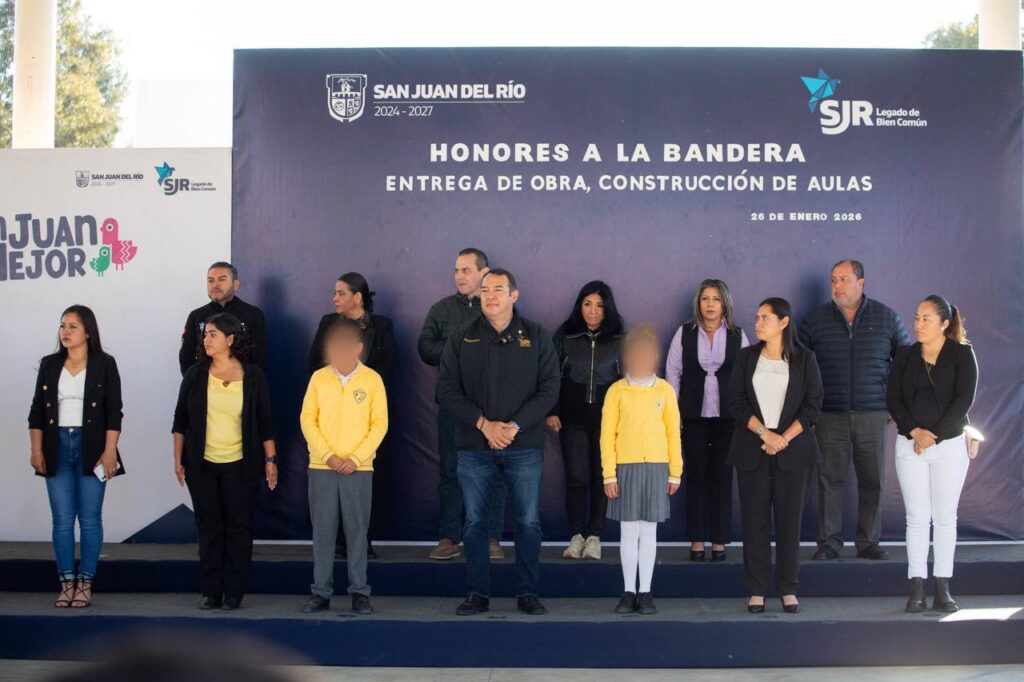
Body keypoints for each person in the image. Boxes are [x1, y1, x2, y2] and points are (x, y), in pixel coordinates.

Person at [438, 268, 559, 616]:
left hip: (524, 447)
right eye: (485, 289)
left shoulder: (536, 336)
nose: (491, 295)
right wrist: (483, 424)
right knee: (475, 522)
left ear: (514, 296)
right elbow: (446, 389)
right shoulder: (462, 337)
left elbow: (549, 388)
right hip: (475, 448)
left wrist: (514, 426)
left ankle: (528, 593)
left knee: (528, 522)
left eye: (499, 289)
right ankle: (477, 594)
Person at [798, 259, 909, 561]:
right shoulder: (814, 321)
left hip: (873, 414)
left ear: (861, 283)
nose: (837, 286)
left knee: (873, 480)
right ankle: (829, 543)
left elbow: (905, 365)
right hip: (828, 414)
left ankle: (868, 542)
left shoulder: (887, 318)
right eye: (833, 280)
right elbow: (798, 368)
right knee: (829, 480)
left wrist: (893, 405)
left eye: (844, 279)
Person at [172, 313, 278, 610]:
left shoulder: (253, 375)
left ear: (230, 340)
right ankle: (210, 591)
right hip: (201, 464)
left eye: (213, 334)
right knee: (209, 528)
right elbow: (180, 420)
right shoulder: (195, 374)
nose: (206, 339)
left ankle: (234, 592)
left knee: (239, 528)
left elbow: (265, 422)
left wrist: (271, 459)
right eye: (205, 334)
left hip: (241, 465)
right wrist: (177, 459)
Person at [729, 298, 823, 614]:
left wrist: (783, 437)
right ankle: (756, 590)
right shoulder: (745, 358)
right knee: (754, 522)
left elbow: (813, 405)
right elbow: (736, 402)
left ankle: (787, 589)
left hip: (793, 451)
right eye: (756, 317)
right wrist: (764, 434)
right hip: (753, 449)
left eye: (765, 317)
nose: (758, 323)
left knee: (789, 523)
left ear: (784, 322)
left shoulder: (805, 359)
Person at [28, 305, 124, 609]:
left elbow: (114, 411)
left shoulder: (104, 364)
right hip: (56, 444)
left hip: (92, 446)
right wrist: (36, 449)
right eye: (62, 326)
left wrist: (110, 451)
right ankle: (66, 581)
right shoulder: (49, 364)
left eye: (72, 326)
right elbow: (36, 412)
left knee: (91, 519)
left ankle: (86, 582)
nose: (65, 332)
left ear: (88, 331)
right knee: (62, 520)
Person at [887, 296, 978, 613]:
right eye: (916, 317)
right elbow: (893, 399)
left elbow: (963, 400)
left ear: (944, 323)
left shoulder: (962, 355)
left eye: (926, 318)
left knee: (944, 518)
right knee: (916, 518)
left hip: (949, 445)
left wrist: (932, 435)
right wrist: (914, 431)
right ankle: (916, 587)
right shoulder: (905, 355)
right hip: (910, 445)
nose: (918, 324)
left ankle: (943, 586)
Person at [418, 248, 508, 561]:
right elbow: (425, 347)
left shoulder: (497, 308)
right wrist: (462, 346)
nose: (459, 276)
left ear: (485, 273)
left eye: (466, 270)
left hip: (492, 408)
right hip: (452, 406)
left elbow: (504, 350)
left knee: (493, 473)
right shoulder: (441, 309)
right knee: (450, 471)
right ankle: (448, 537)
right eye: (456, 270)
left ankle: (491, 538)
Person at [300, 316, 389, 615]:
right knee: (323, 532)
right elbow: (307, 421)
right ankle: (320, 592)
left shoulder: (372, 380)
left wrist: (356, 458)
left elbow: (379, 425)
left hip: (358, 470)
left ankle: (359, 592)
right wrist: (327, 455)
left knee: (357, 532)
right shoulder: (318, 378)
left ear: (359, 348)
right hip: (322, 467)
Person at [308, 272, 395, 559]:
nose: (334, 299)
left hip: (365, 417)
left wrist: (359, 382)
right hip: (331, 419)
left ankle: (361, 542)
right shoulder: (328, 323)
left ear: (358, 297)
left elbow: (388, 368)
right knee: (328, 493)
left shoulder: (381, 326)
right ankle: (333, 544)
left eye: (340, 293)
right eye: (334, 293)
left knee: (363, 487)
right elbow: (314, 363)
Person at [666, 279, 750, 562]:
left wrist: (744, 414)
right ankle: (697, 540)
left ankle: (719, 540)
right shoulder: (684, 333)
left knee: (723, 476)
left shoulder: (739, 335)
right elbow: (673, 373)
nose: (710, 304)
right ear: (698, 303)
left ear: (725, 303)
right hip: (692, 414)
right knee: (697, 475)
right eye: (705, 298)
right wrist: (673, 413)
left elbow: (748, 377)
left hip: (728, 416)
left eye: (716, 298)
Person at [601, 324, 682, 615]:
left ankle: (645, 592)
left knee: (649, 533)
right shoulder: (616, 392)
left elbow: (674, 432)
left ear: (656, 357)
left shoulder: (665, 390)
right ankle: (628, 592)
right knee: (628, 533)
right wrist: (609, 474)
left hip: (657, 468)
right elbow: (607, 435)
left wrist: (675, 471)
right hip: (626, 469)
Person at [547, 281, 624, 560]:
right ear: (580, 306)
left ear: (608, 309)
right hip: (573, 419)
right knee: (577, 478)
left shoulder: (619, 339)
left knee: (603, 478)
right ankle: (576, 536)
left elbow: (626, 383)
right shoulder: (565, 335)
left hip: (608, 422)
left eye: (600, 305)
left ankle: (595, 537)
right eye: (587, 304)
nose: (593, 311)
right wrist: (552, 410)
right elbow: (551, 375)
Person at [179, 261, 268, 375]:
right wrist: (195, 384)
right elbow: (186, 357)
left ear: (235, 284)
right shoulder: (196, 316)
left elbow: (259, 358)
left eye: (221, 279)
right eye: (211, 280)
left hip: (240, 385)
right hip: (205, 386)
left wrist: (248, 385)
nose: (215, 285)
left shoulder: (253, 314)